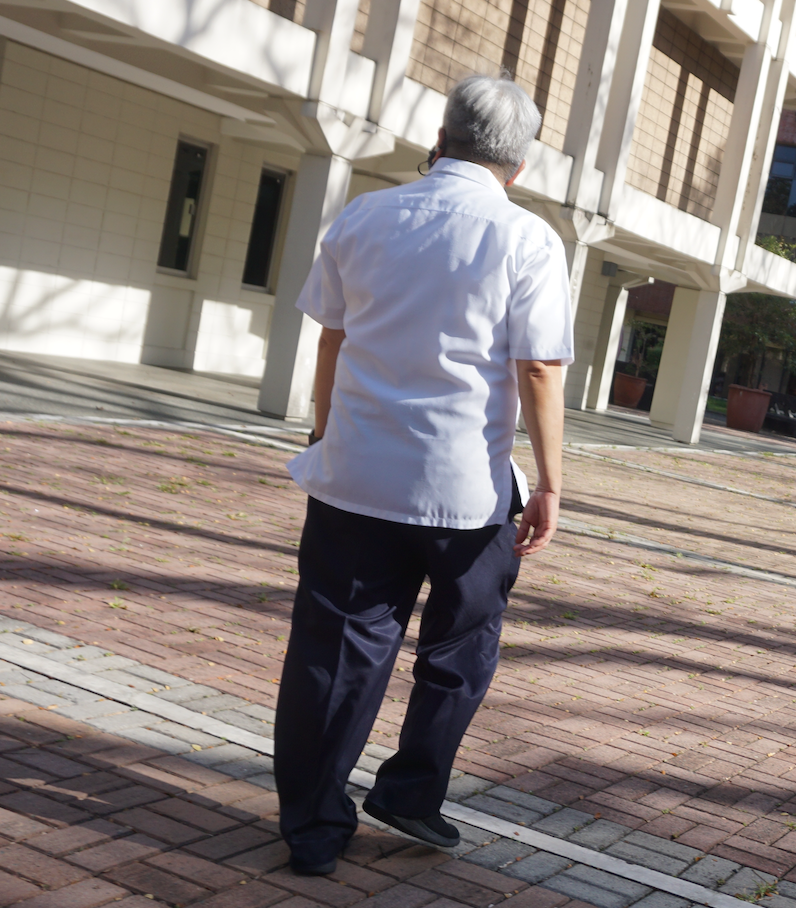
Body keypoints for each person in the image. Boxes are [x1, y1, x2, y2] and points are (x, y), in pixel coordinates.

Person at [272, 74, 574, 877]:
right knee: (463, 643)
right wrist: (549, 483)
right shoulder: (528, 240)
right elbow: (539, 367)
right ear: (520, 163)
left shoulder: (364, 217)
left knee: (337, 649)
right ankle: (411, 788)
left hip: (356, 477)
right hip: (466, 490)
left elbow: (331, 341)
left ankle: (312, 826)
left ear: (439, 137)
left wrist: (325, 430)